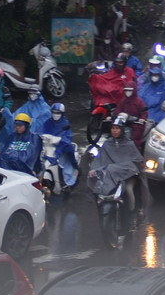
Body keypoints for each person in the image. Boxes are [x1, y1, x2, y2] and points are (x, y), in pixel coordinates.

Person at [86, 114, 146, 243]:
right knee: (98, 188)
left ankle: (132, 214)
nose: (115, 131)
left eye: (117, 128)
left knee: (128, 190)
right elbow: (100, 160)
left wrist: (126, 168)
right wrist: (94, 170)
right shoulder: (107, 144)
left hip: (126, 176)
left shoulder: (129, 144)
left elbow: (136, 161)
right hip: (110, 176)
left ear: (122, 130)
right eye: (113, 128)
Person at [40, 102, 79, 189]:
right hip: (48, 147)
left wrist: (58, 140)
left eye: (58, 113)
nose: (55, 115)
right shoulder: (48, 122)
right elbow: (41, 132)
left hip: (62, 148)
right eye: (54, 112)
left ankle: (67, 182)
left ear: (62, 113)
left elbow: (68, 138)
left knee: (64, 164)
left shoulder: (65, 123)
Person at [139, 58, 165, 123]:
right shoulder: (145, 86)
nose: (154, 76)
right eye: (153, 75)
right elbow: (140, 99)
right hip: (146, 115)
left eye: (156, 75)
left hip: (160, 115)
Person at [117, 84, 149, 148]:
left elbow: (144, 112)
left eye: (130, 90)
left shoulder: (139, 102)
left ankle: (135, 150)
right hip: (124, 123)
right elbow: (117, 111)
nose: (127, 92)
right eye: (126, 90)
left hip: (136, 123)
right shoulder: (122, 101)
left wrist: (142, 118)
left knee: (136, 137)